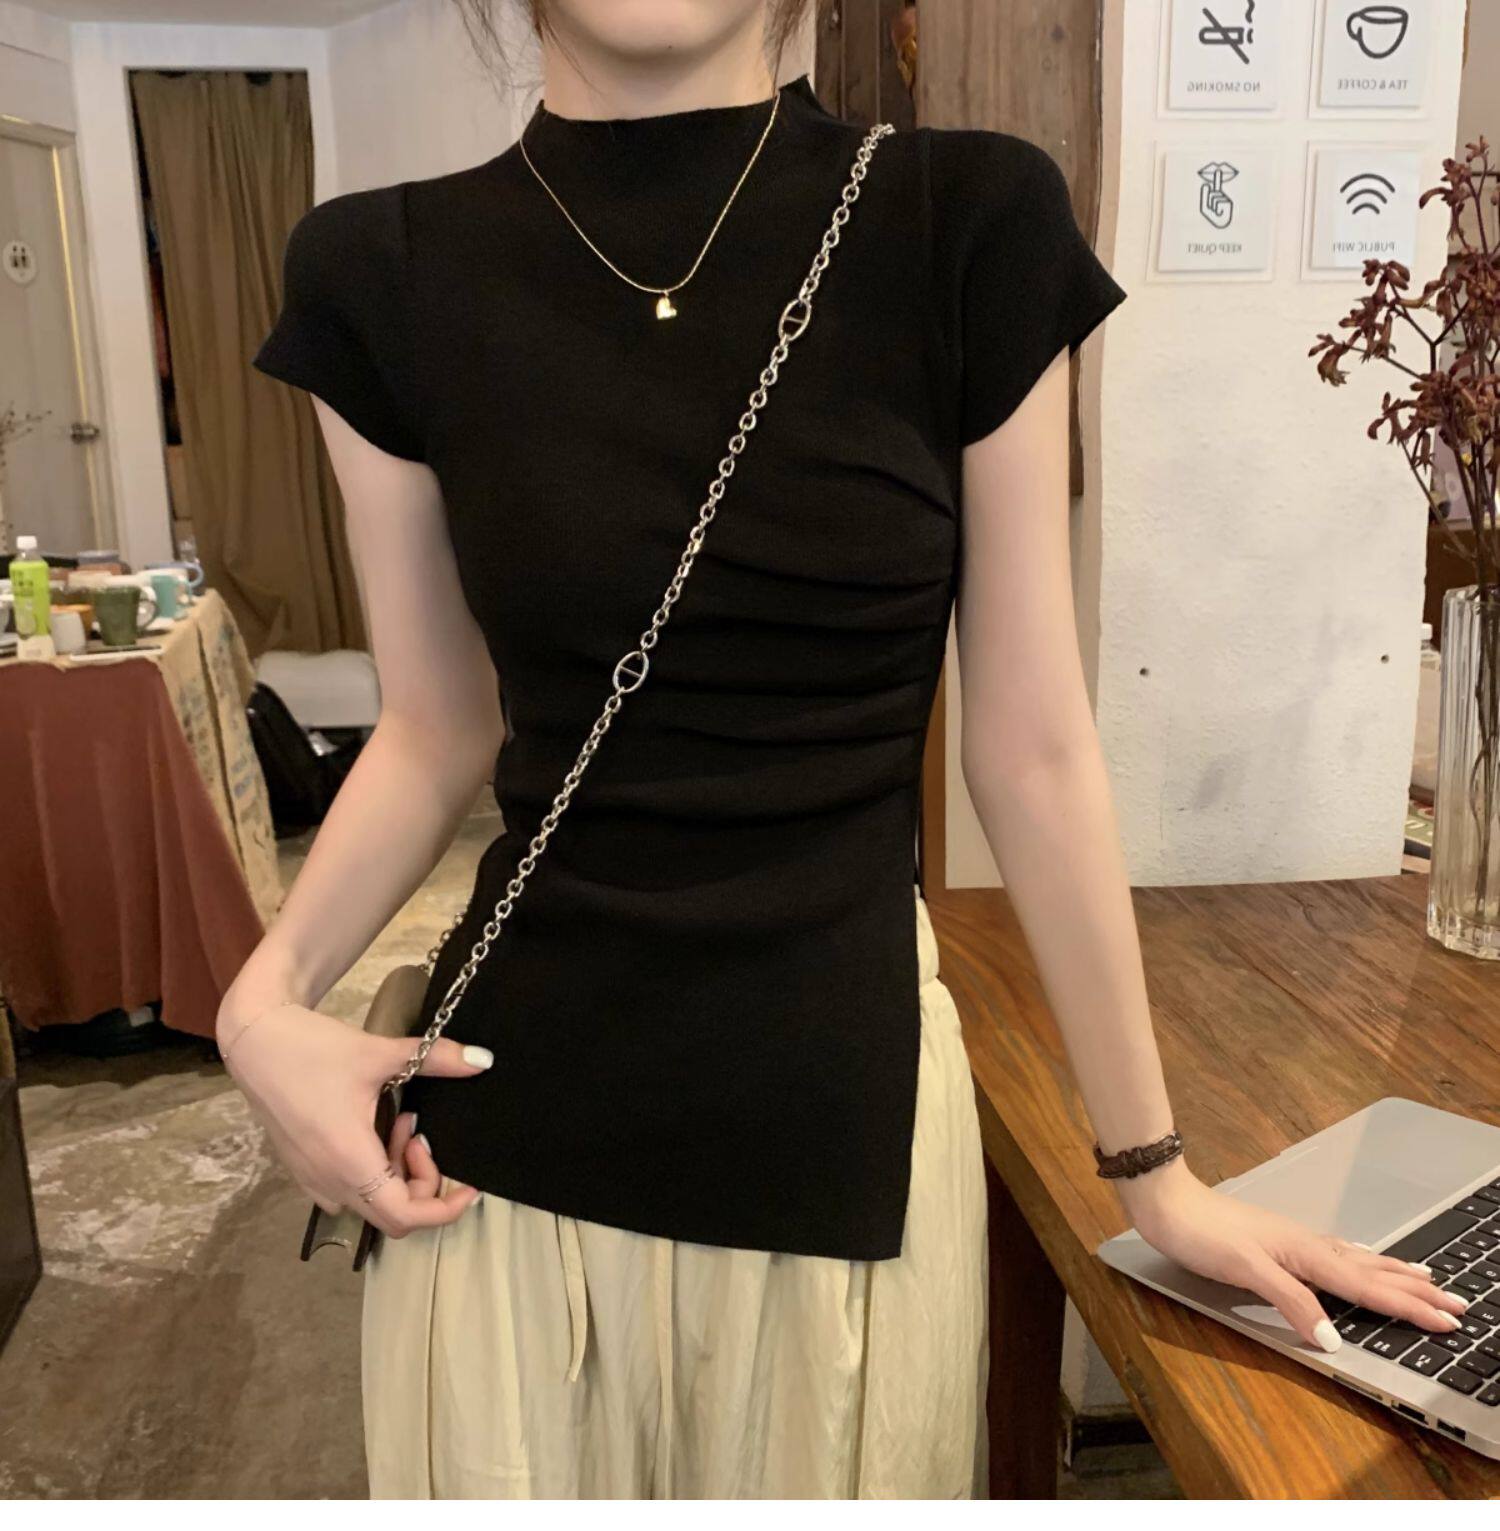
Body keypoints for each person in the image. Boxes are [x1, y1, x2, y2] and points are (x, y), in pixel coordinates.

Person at [219, 0, 1469, 1500]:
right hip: (500, 1165)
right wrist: (258, 1006)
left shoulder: (964, 220)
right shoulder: (380, 267)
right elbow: (438, 725)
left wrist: (1156, 1172)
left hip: (839, 1142)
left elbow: (1032, 745)